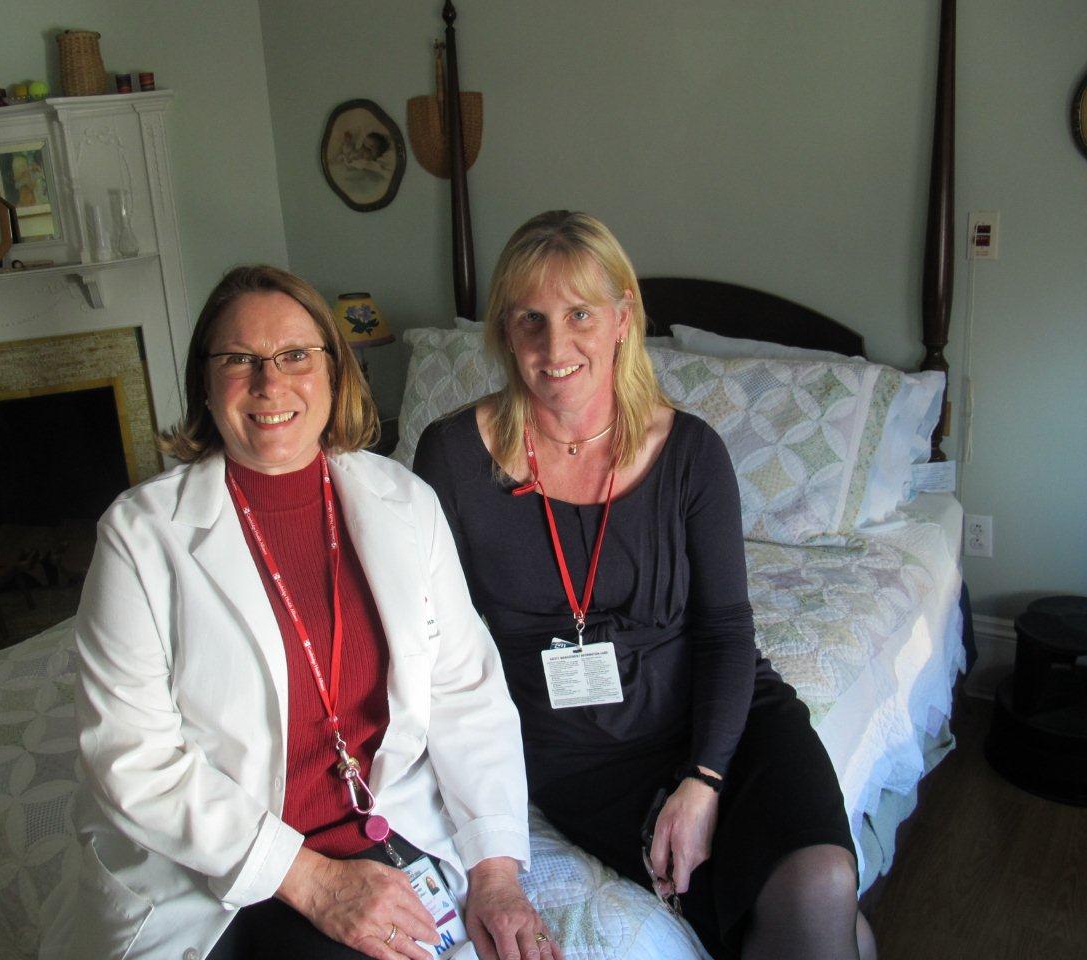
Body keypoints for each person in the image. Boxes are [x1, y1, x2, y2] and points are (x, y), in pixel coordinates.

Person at [47, 265, 560, 960]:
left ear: (334, 371)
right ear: (204, 380)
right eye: (239, 360)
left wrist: (495, 872)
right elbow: (130, 756)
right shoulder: (140, 535)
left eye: (295, 356)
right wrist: (314, 882)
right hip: (224, 872)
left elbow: (464, 691)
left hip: (383, 828)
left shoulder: (403, 501)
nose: (270, 383)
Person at [413, 212, 876, 960]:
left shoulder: (691, 453)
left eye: (579, 315)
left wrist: (704, 780)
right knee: (822, 931)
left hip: (727, 725)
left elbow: (726, 630)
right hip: (587, 762)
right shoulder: (452, 460)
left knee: (822, 881)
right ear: (502, 330)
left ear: (622, 320)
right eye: (529, 319)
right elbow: (432, 646)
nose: (554, 346)